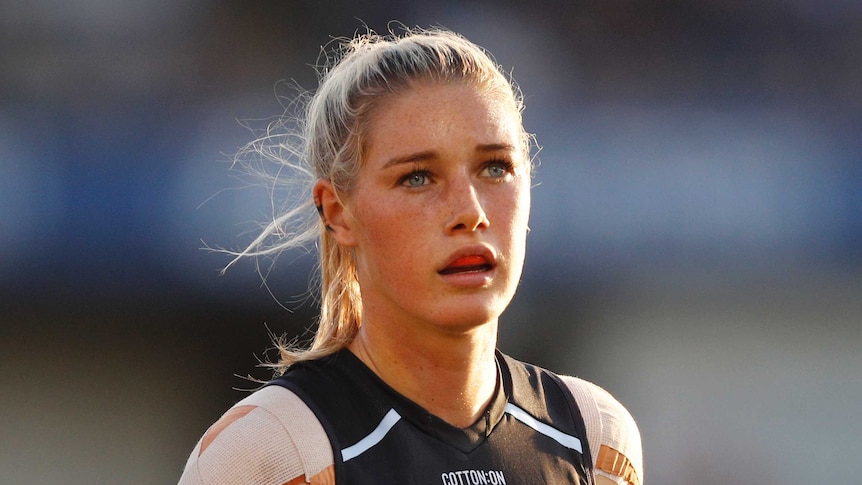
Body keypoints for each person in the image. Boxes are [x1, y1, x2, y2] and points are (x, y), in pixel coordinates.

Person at [179, 27, 642, 485]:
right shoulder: (274, 453)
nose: (470, 212)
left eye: (495, 167)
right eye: (418, 177)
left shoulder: (593, 438)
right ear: (338, 212)